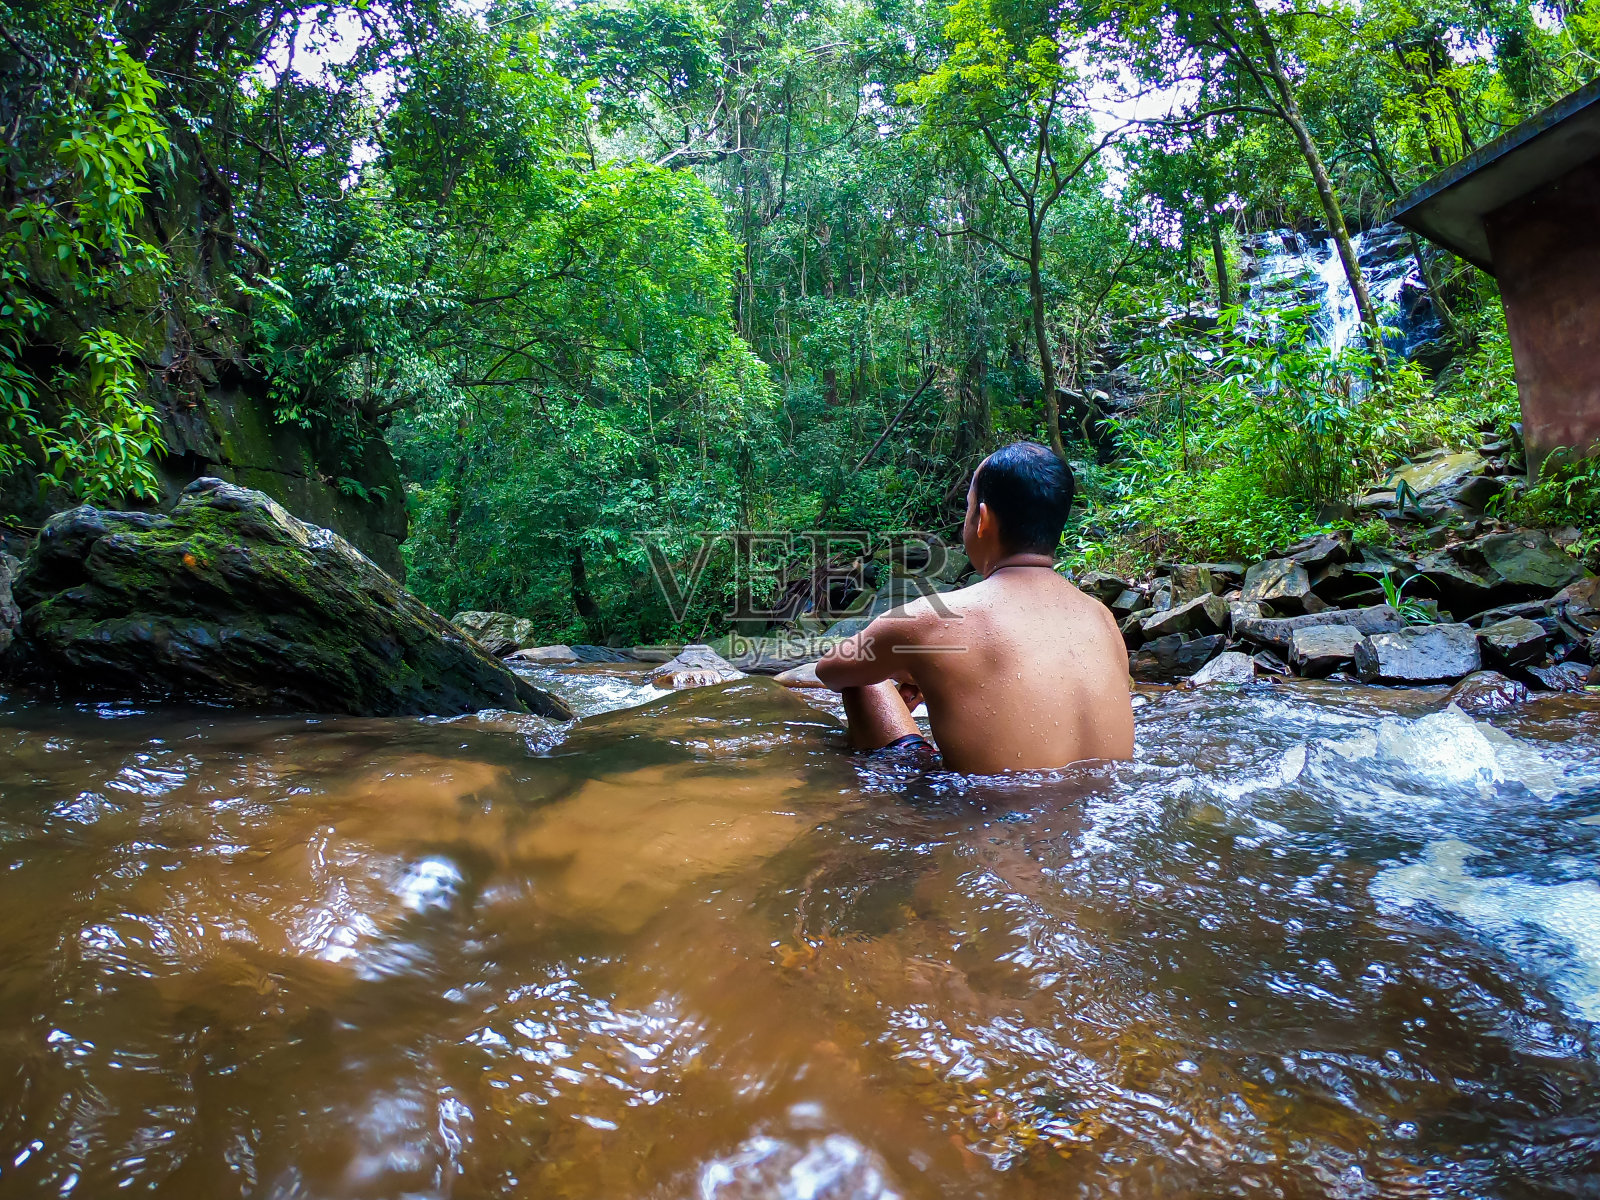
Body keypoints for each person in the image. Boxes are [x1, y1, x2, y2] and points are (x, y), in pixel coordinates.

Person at [815, 442, 1134, 772]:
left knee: (867, 680)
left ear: (982, 519)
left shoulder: (933, 619)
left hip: (981, 814)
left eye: (967, 509)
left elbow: (830, 670)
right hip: (1105, 812)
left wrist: (909, 666)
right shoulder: (1103, 619)